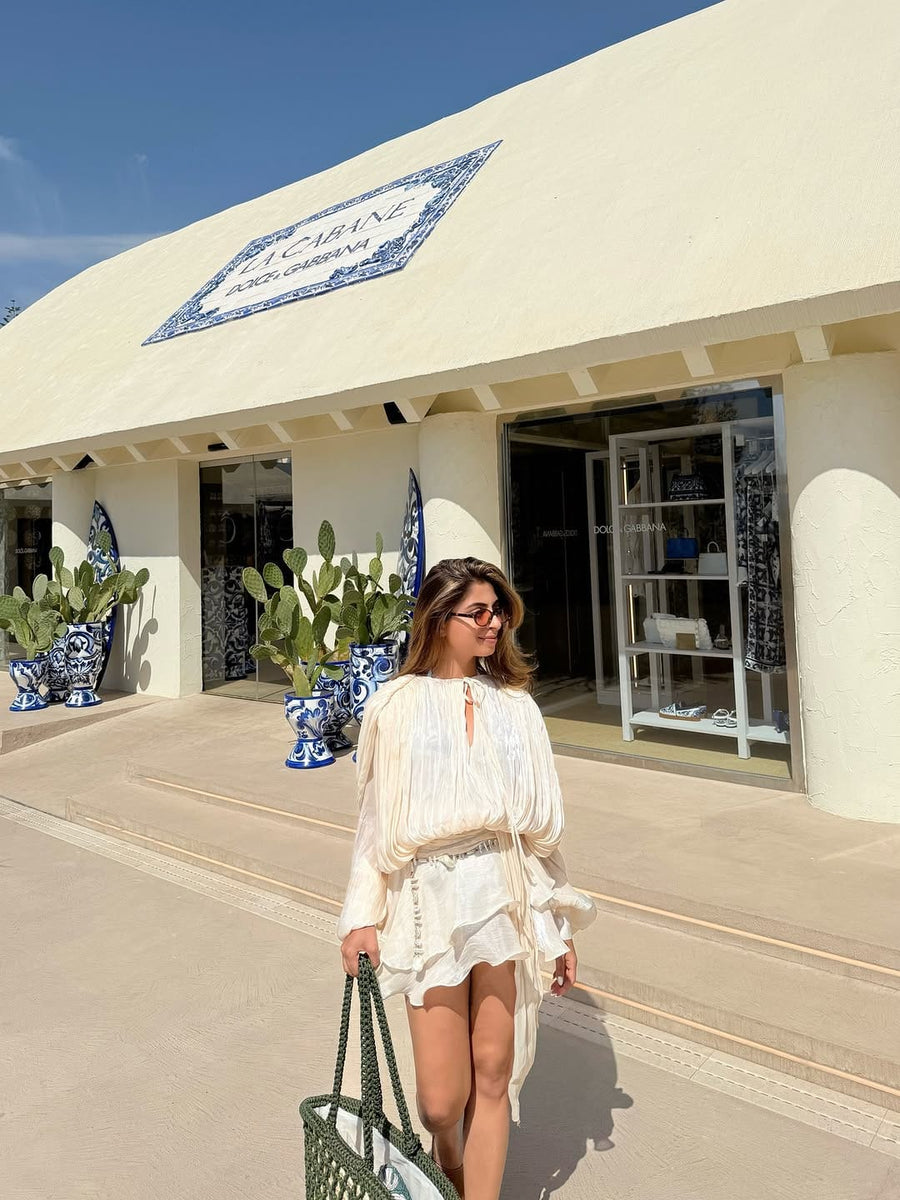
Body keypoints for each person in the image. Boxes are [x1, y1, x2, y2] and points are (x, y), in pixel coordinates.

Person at [337, 556, 598, 1199]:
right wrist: (361, 918)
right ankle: (447, 1161)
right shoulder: (395, 705)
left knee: (495, 1068)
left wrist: (557, 929)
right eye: (477, 611)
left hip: (504, 894)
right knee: (437, 1099)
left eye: (499, 610)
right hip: (426, 896)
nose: (494, 623)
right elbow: (374, 824)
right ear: (438, 619)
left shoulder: (517, 708)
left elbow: (541, 835)